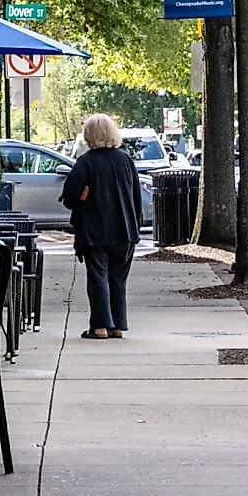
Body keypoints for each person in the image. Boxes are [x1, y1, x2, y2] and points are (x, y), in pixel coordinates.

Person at [61, 113, 142, 338]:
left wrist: (82, 197)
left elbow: (69, 197)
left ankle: (99, 326)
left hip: (95, 230)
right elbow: (135, 197)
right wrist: (135, 226)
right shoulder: (125, 160)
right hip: (125, 230)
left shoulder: (86, 162)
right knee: (118, 278)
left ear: (89, 136)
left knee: (98, 276)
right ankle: (117, 325)